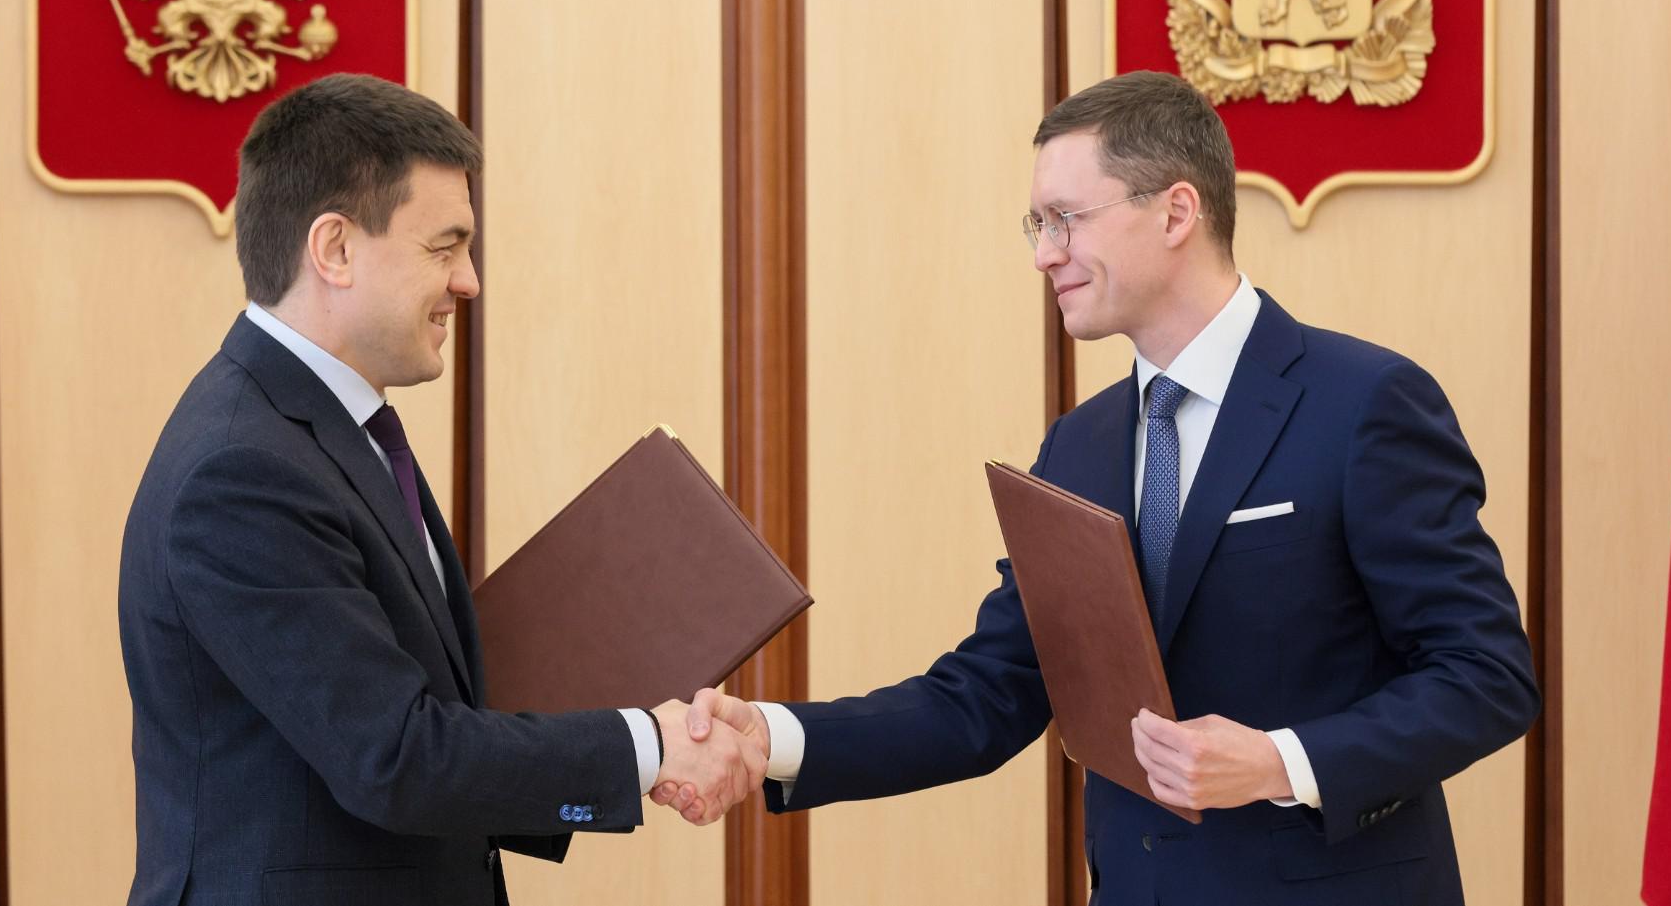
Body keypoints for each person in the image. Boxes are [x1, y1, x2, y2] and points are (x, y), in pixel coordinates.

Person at [658, 71, 1540, 905]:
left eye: (1066, 220)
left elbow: (1487, 674)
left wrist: (1279, 761)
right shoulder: (1077, 445)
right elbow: (989, 691)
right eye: (1036, 225)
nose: (1045, 254)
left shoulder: (1366, 403)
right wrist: (772, 737)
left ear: (1176, 211)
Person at [118, 74, 757, 906]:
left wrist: (626, 740)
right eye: (444, 247)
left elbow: (421, 716)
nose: (469, 281)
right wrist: (649, 744)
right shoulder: (243, 470)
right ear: (335, 249)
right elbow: (394, 759)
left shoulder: (326, 427)